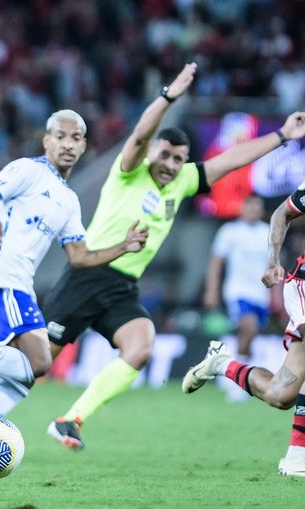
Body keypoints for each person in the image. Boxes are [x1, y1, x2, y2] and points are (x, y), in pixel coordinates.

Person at [41, 61, 305, 451]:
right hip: (89, 273)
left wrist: (281, 134)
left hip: (122, 285)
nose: (169, 165)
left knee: (142, 347)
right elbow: (141, 134)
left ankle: (70, 420)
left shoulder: (181, 181)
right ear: (151, 153)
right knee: (33, 364)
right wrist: (167, 97)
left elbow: (232, 159)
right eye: (163, 155)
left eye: (178, 159)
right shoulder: (129, 169)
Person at [0, 109, 148, 465]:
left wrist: (123, 247)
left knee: (25, 374)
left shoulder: (68, 199)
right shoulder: (27, 170)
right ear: (47, 140)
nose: (67, 144)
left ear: (83, 146)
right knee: (38, 360)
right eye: (60, 136)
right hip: (1, 280)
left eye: (76, 138)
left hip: (21, 287)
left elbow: (79, 256)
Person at [182, 183, 305, 477]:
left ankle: (222, 363)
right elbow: (281, 214)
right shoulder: (230, 232)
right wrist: (273, 260)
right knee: (248, 328)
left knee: (281, 394)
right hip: (302, 285)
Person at [202, 194, 271, 401]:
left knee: (251, 334)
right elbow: (216, 262)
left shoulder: (267, 232)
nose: (252, 210)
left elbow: (275, 264)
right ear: (242, 208)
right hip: (237, 290)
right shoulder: (230, 231)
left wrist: (277, 292)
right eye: (249, 207)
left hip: (261, 293)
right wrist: (211, 290)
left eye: (256, 207)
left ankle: (240, 374)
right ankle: (237, 381)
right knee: (249, 328)